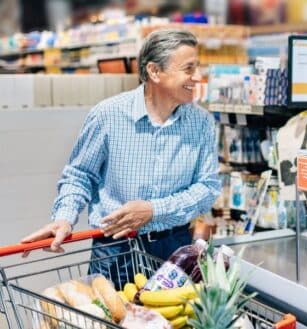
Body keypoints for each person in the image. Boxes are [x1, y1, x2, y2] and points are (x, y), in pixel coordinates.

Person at [21, 29, 221, 286]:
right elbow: (80, 175)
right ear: (155, 71)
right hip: (115, 250)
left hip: (175, 249)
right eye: (189, 68)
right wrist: (64, 218)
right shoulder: (108, 115)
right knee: (110, 321)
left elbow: (207, 188)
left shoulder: (201, 123)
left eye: (198, 67)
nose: (198, 76)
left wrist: (153, 210)